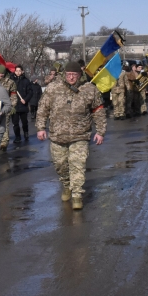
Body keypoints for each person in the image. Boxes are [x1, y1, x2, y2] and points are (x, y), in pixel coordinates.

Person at [36, 61, 107, 210]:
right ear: (64, 74)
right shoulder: (53, 88)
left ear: (80, 74)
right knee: (60, 165)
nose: (71, 78)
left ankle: (77, 195)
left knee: (78, 165)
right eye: (69, 74)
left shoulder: (89, 89)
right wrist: (41, 128)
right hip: (58, 135)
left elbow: (98, 111)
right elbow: (43, 108)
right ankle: (66, 184)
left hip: (80, 135)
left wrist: (100, 132)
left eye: (74, 75)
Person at [0, 65, 18, 151]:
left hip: (6, 106)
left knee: (5, 124)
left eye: (2, 73)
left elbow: (13, 95)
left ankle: (4, 143)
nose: (1, 75)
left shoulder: (10, 82)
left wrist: (12, 106)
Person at [12, 64, 33, 142]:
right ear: (14, 71)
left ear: (22, 71)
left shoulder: (26, 81)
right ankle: (17, 136)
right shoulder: (11, 81)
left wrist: (25, 99)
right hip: (14, 105)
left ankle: (26, 133)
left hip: (23, 105)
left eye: (19, 71)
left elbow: (30, 92)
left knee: (24, 122)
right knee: (15, 123)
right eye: (16, 71)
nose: (18, 72)